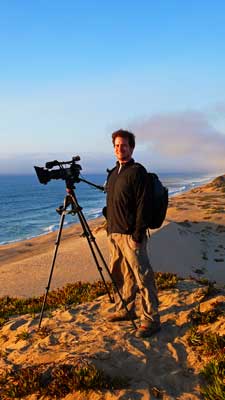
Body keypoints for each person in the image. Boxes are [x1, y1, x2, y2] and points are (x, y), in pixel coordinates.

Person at [105, 129, 160, 338]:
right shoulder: (113, 173)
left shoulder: (138, 171)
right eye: (117, 146)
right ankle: (126, 309)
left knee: (142, 277)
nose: (120, 149)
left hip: (131, 235)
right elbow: (113, 202)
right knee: (122, 275)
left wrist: (138, 234)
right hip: (114, 233)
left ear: (132, 147)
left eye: (124, 145)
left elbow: (143, 206)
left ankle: (152, 319)